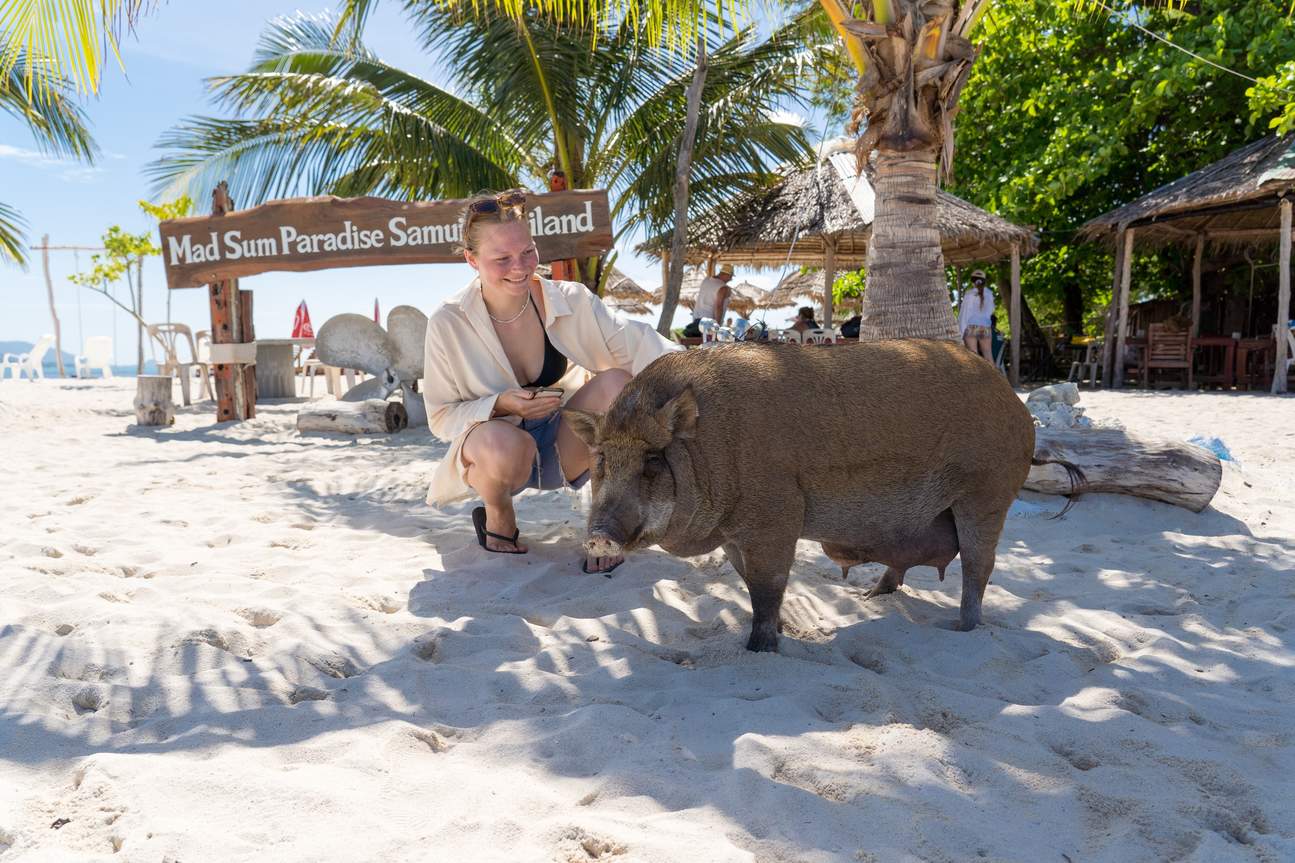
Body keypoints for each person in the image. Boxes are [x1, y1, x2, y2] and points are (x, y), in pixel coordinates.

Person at [422, 189, 681, 573]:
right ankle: (499, 515)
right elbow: (441, 418)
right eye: (502, 259)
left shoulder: (571, 300)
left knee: (617, 384)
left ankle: (606, 522)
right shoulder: (448, 320)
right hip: (499, 457)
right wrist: (500, 404)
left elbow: (640, 344)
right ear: (471, 260)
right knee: (501, 442)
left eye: (528, 252)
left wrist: (708, 375)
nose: (520, 267)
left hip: (565, 443)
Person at [681, 264, 734, 338]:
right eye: (730, 277)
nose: (730, 279)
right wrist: (717, 327)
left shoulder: (706, 280)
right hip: (709, 324)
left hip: (696, 321)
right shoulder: (723, 288)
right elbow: (718, 306)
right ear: (727, 275)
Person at [958, 269, 995, 362]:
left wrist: (961, 332)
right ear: (984, 281)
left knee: (974, 358)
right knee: (988, 356)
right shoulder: (989, 294)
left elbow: (964, 314)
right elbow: (991, 311)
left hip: (971, 327)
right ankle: (994, 372)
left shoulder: (969, 294)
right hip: (985, 327)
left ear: (972, 281)